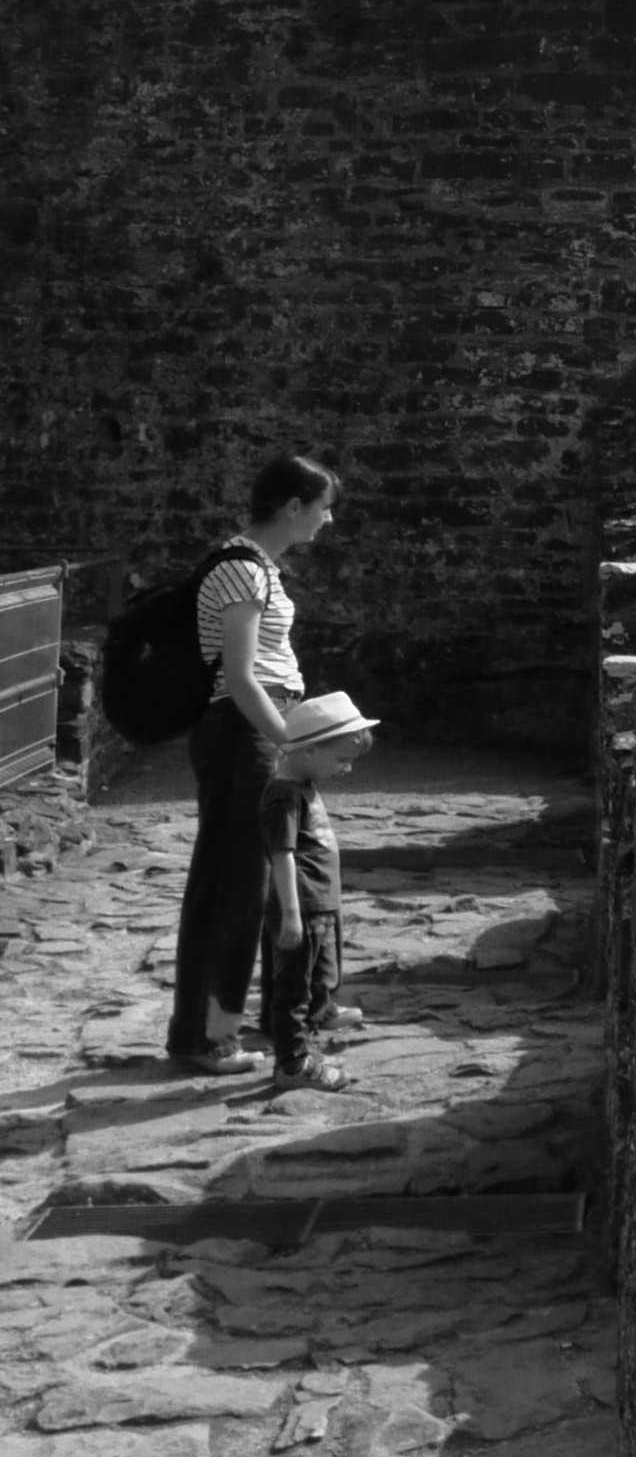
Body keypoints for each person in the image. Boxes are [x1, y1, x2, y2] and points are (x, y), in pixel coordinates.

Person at [167, 453, 340, 1073]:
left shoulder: (257, 567)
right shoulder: (241, 569)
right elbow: (240, 677)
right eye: (322, 508)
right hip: (243, 736)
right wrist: (287, 740)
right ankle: (209, 1037)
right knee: (237, 884)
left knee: (262, 878)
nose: (326, 521)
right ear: (293, 506)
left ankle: (266, 1015)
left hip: (255, 733)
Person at [258, 692, 376, 1090]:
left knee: (322, 969)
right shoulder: (284, 795)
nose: (346, 770)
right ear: (309, 751)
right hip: (302, 905)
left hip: (320, 901)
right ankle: (293, 1064)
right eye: (341, 760)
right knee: (293, 987)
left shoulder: (303, 782)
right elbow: (282, 855)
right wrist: (290, 913)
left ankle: (322, 1010)